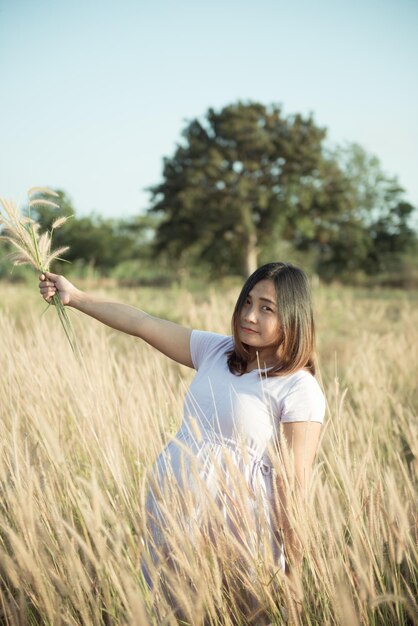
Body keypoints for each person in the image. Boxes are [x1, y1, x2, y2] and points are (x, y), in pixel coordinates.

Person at [38, 262, 325, 623]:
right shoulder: (216, 352)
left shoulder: (299, 388)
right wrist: (75, 297)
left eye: (266, 308)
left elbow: (293, 482)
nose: (249, 315)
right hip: (175, 520)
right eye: (247, 302)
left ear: (293, 318)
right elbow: (143, 323)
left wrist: (294, 568)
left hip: (240, 534)